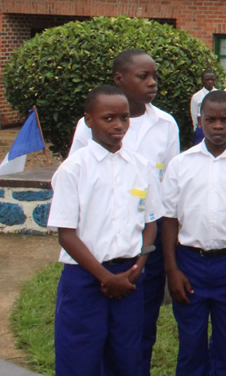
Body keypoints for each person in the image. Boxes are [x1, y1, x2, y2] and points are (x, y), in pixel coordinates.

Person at [68, 49, 179, 373]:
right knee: (94, 336)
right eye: (143, 76)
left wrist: (146, 256)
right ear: (119, 79)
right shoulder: (87, 125)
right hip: (98, 247)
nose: (152, 82)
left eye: (154, 76)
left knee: (138, 329)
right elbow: (78, 179)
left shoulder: (166, 124)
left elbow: (167, 186)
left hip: (145, 241)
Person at [49, 85, 162, 376]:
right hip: (85, 278)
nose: (118, 125)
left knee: (126, 357)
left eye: (124, 118)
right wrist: (106, 278)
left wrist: (138, 266)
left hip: (129, 277)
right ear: (88, 120)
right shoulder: (73, 170)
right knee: (79, 357)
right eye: (108, 118)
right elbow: (67, 234)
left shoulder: (141, 166)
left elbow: (151, 222)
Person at [160, 91, 226, 375]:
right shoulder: (180, 164)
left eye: (225, 120)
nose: (217, 126)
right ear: (199, 121)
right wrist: (171, 269)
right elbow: (168, 219)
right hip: (190, 263)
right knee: (191, 345)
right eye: (210, 120)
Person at [189, 69, 217, 144]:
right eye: (207, 79)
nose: (210, 82)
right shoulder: (196, 97)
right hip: (202, 127)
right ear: (202, 80)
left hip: (216, 125)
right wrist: (196, 128)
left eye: (212, 79)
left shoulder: (219, 94)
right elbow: (194, 113)